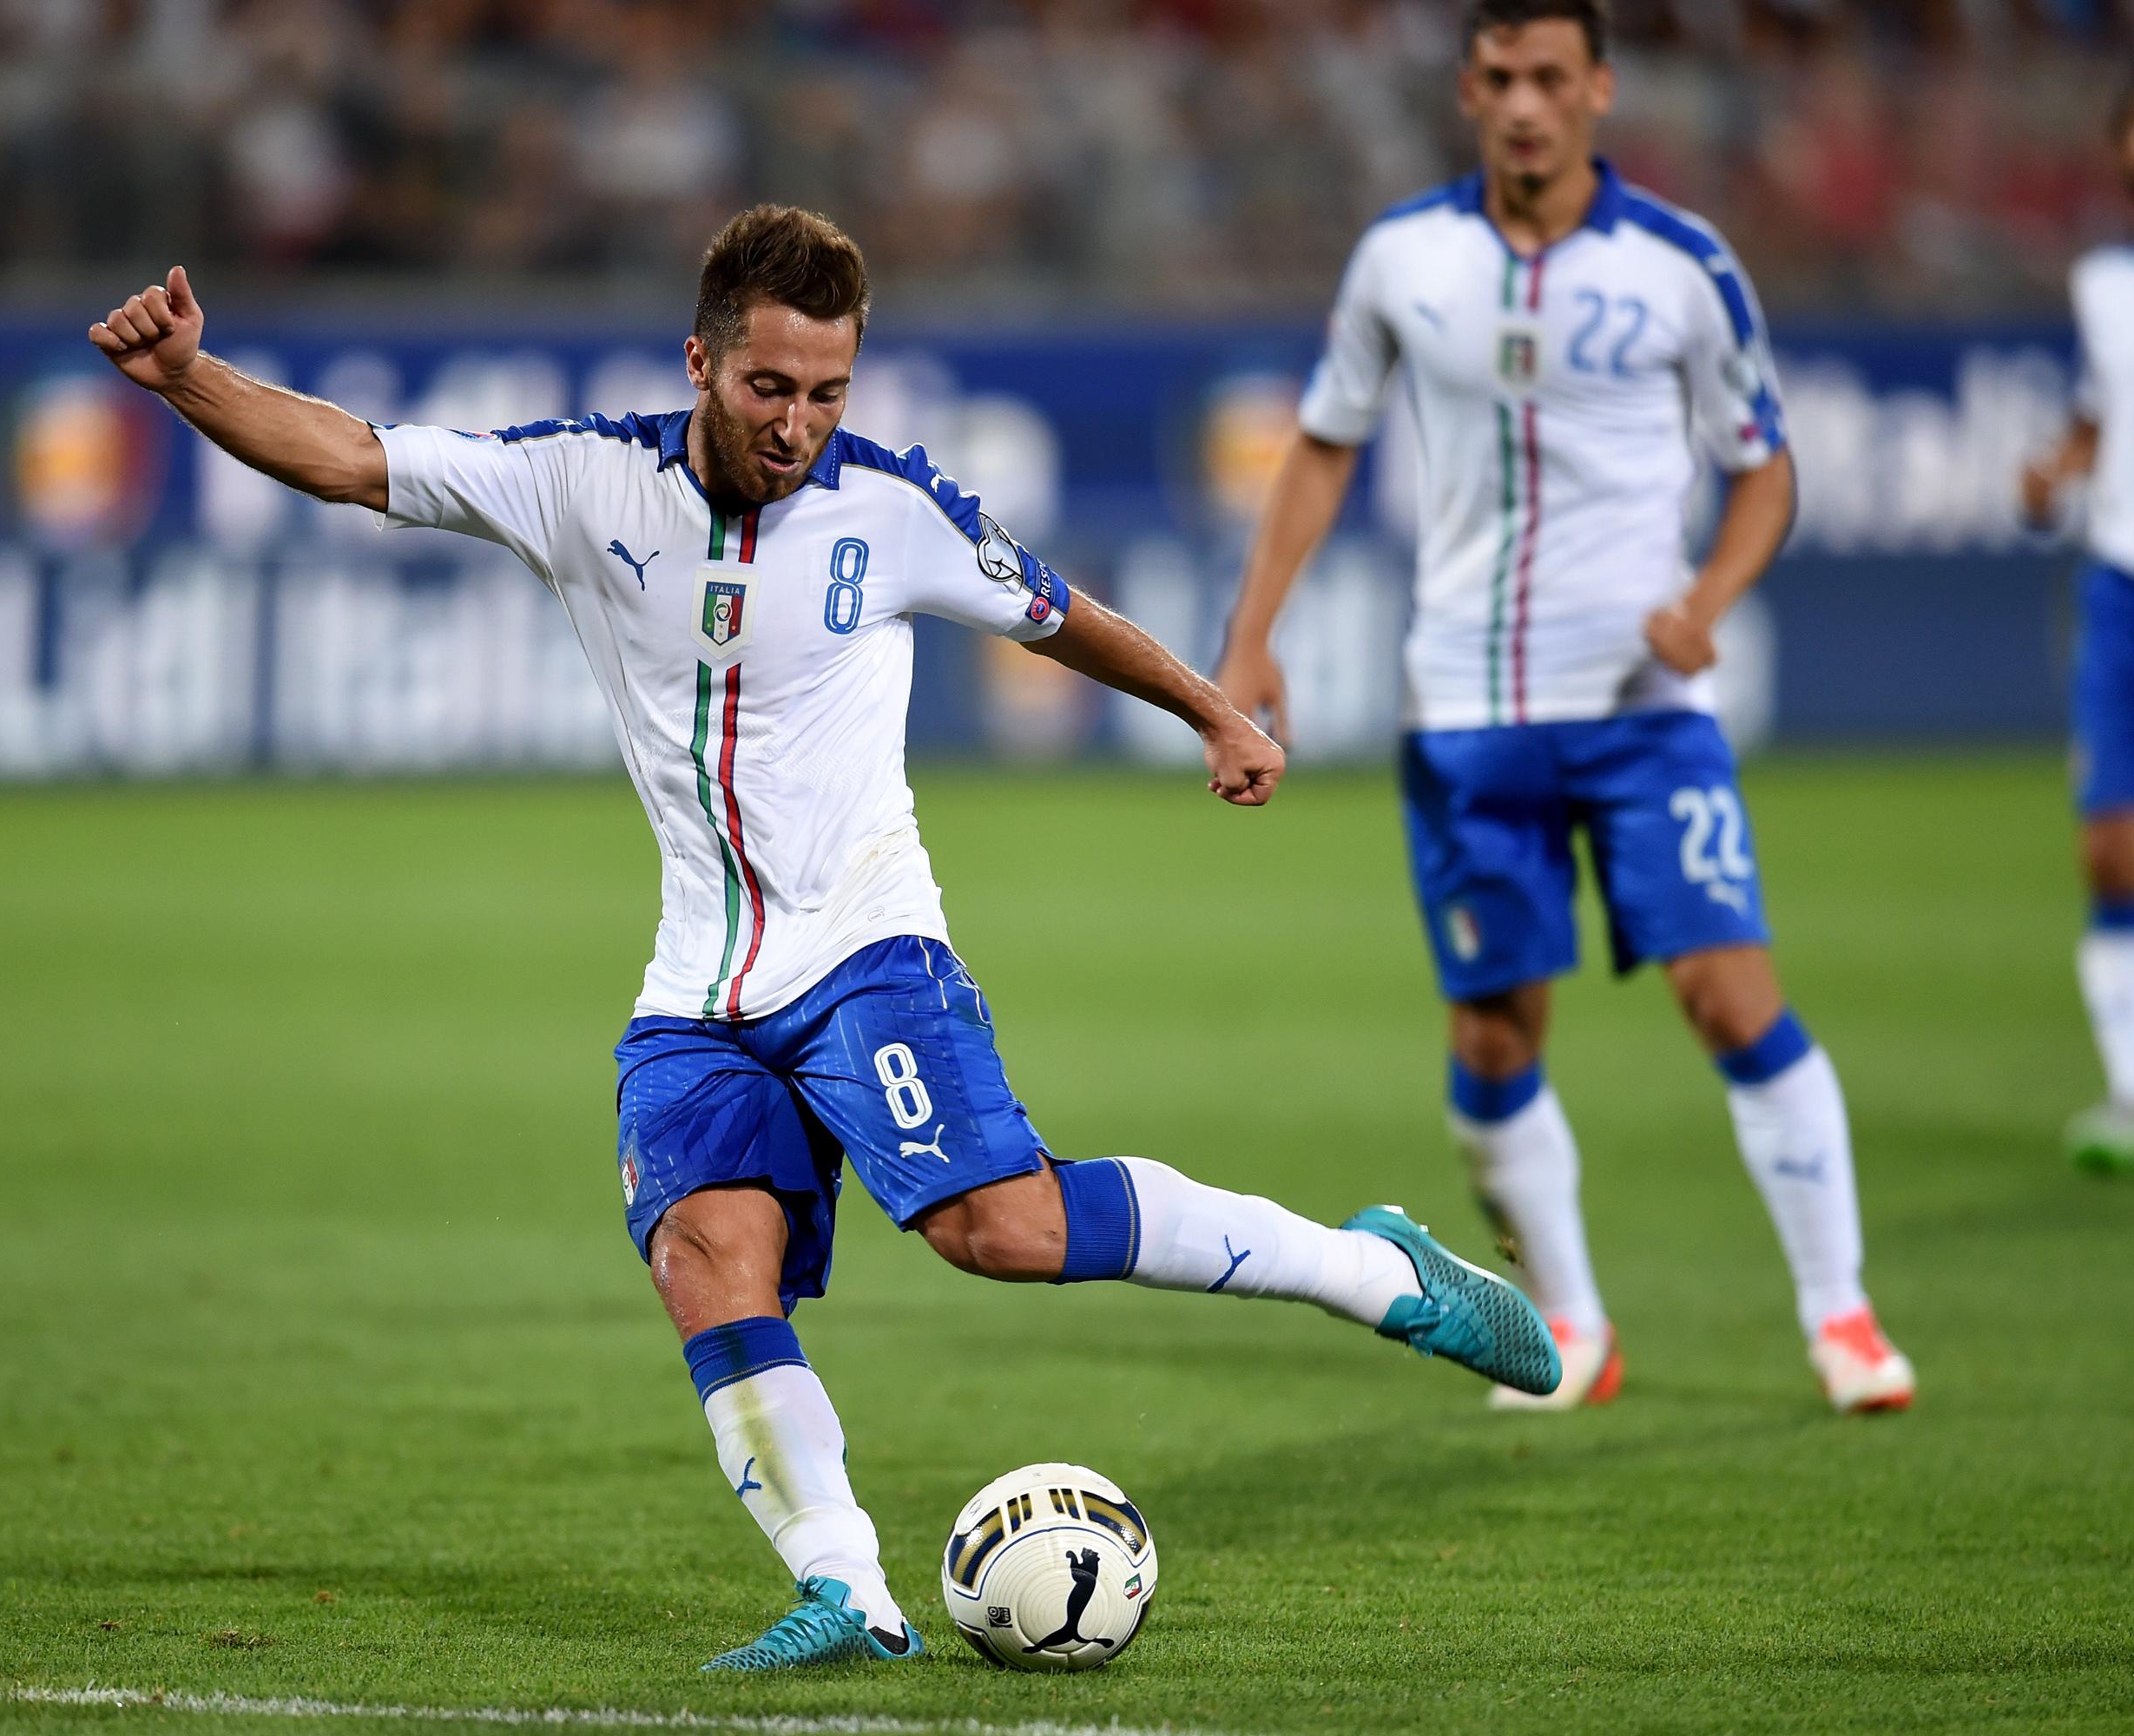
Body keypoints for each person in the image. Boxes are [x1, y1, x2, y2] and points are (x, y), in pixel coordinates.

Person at [89, 204, 1558, 1672]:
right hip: (698, 985)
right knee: (703, 1255)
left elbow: (1059, 615)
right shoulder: (582, 483)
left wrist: (1215, 714)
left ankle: (1367, 1268)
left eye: (828, 392)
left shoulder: (891, 510)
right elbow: (352, 459)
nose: (799, 424)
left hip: (865, 949)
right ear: (702, 363)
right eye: (771, 388)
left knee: (1000, 1229)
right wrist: (188, 381)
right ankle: (847, 1587)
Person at [1214, 0, 1913, 1416]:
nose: (1525, 104)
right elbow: (1321, 450)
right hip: (1466, 711)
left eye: (1551, 77)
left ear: (1599, 87)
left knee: (1728, 993)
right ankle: (1573, 1331)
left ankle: (1841, 1316)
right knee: (1491, 1038)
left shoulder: (1682, 267)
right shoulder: (1403, 258)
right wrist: (1251, 637)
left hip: (1642, 704)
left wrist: (1706, 606)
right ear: (1468, 91)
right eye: (1499, 79)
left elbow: (1764, 469)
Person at [2021, 82, 2134, 1177]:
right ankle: (2129, 1090)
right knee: (2109, 847)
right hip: (2116, 585)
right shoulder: (2103, 286)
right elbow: (2105, 412)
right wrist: (2059, 466)